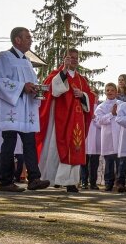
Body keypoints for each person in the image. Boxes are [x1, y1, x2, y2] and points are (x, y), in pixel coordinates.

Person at [0, 27, 50, 192]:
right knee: (9, 142)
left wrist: (36, 89)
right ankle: (5, 182)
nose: (31, 40)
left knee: (29, 143)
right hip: (11, 108)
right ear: (17, 40)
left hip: (26, 109)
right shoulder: (4, 56)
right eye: (27, 37)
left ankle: (34, 178)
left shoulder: (27, 61)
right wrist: (22, 87)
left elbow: (31, 81)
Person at [36, 48, 95, 192]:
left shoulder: (82, 80)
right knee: (56, 148)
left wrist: (82, 95)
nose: (74, 60)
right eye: (71, 58)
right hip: (60, 119)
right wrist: (64, 70)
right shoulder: (57, 75)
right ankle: (54, 179)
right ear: (65, 59)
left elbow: (90, 98)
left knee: (75, 147)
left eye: (76, 58)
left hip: (76, 119)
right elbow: (54, 90)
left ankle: (71, 182)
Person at [94, 83, 121, 191]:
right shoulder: (101, 106)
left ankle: (120, 183)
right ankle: (108, 183)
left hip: (119, 136)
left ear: (116, 92)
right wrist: (111, 114)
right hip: (107, 137)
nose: (109, 92)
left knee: (120, 162)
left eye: (112, 90)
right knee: (109, 162)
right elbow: (98, 121)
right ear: (105, 92)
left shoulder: (122, 104)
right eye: (107, 90)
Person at [80, 98, 101, 190]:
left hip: (96, 139)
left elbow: (102, 123)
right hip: (85, 138)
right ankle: (84, 182)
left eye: (95, 97)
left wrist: (95, 118)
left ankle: (93, 182)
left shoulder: (100, 108)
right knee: (84, 162)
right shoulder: (83, 107)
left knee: (94, 163)